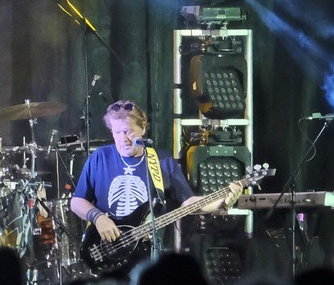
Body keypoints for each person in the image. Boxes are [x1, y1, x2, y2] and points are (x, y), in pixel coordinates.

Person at [70, 100, 242, 254]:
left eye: (128, 131)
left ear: (143, 128)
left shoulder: (161, 160)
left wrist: (222, 202)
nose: (123, 139)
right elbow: (77, 201)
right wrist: (98, 217)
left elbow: (189, 203)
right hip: (105, 248)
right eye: (117, 132)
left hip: (146, 252)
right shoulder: (100, 157)